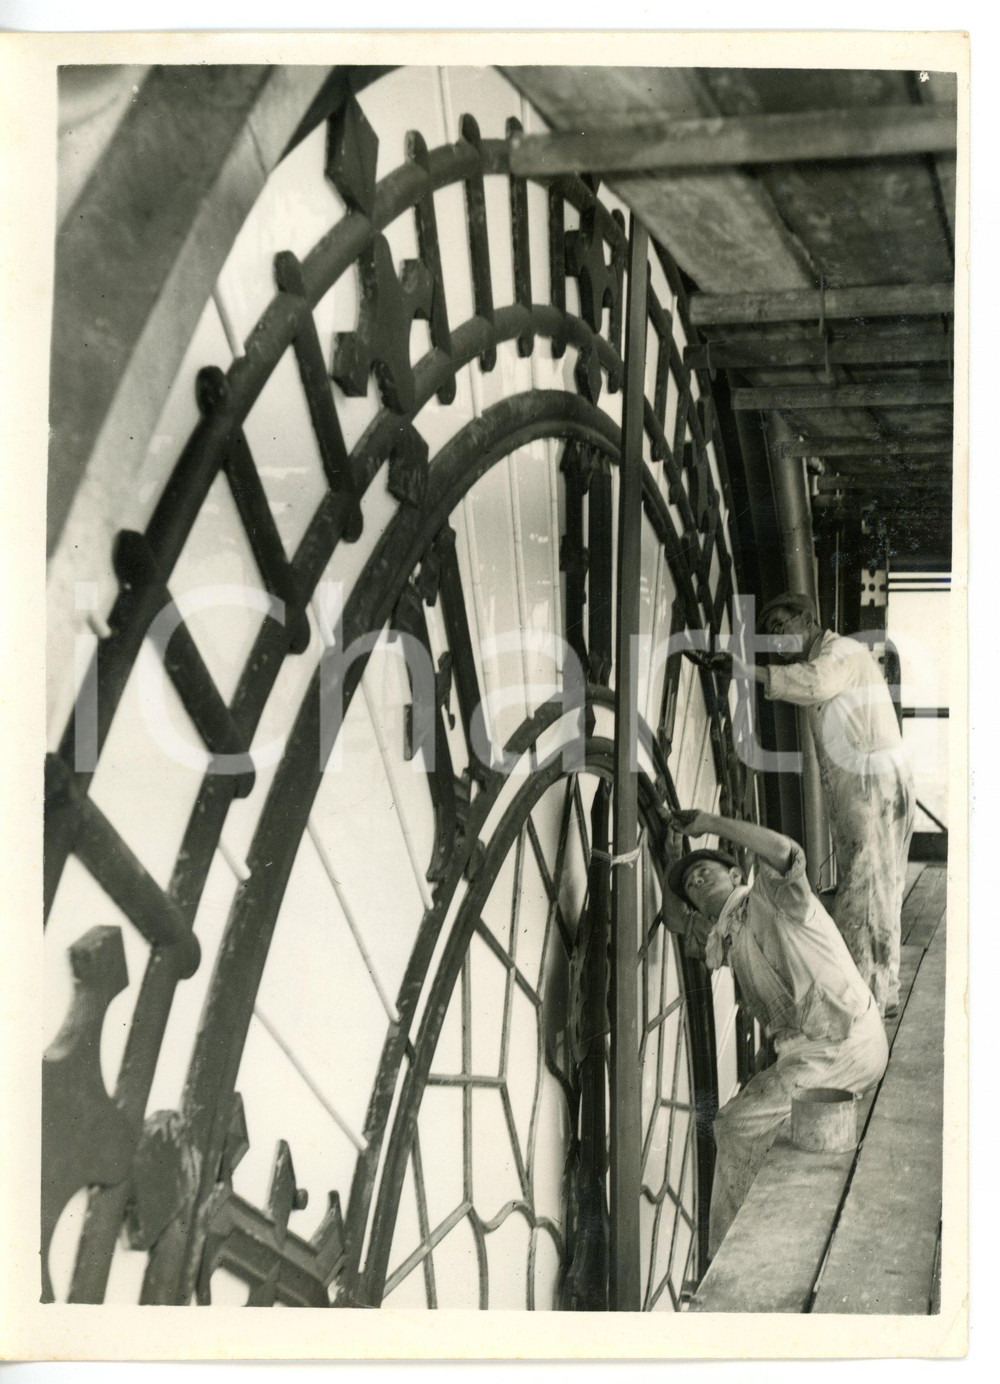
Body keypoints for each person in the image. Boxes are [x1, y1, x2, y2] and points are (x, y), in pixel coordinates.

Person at [662, 805, 888, 1258]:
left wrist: (708, 824)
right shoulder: (726, 934)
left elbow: (785, 851)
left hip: (844, 1043)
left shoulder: (774, 898)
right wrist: (670, 860)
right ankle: (763, 1240)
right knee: (759, 1132)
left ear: (735, 873)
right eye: (692, 886)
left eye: (706, 872)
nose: (698, 883)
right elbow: (675, 920)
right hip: (815, 1056)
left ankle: (726, 1263)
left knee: (735, 1126)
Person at [691, 592, 915, 1017]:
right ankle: (881, 995)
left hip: (871, 783)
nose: (775, 638)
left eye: (780, 625)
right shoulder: (838, 654)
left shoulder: (839, 653)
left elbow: (816, 682)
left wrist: (743, 670)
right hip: (877, 783)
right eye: (769, 632)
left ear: (808, 619)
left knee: (863, 892)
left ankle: (862, 1002)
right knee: (879, 889)